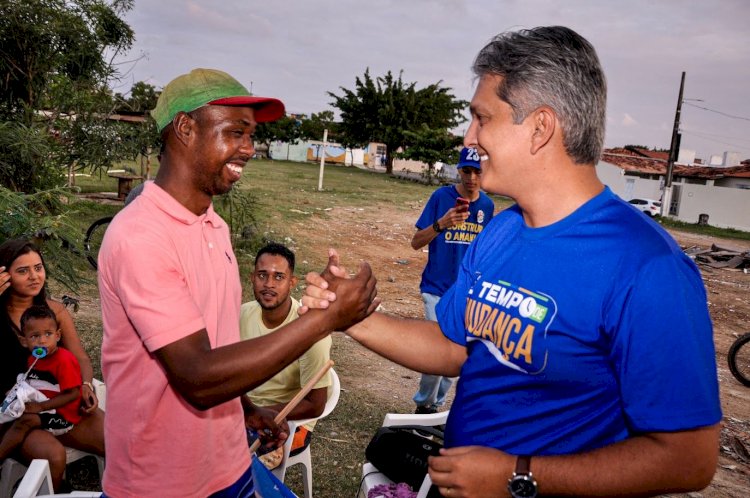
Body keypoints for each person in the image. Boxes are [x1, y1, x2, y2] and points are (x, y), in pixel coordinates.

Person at [302, 26, 721, 498]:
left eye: (482, 118)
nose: (470, 136)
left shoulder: (647, 267)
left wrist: (519, 474)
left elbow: (689, 458)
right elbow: (456, 346)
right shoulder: (501, 229)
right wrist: (351, 316)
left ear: (541, 127)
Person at [97, 68, 377, 498]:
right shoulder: (140, 236)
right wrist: (325, 320)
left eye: (252, 135)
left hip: (228, 464)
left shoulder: (213, 226)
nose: (249, 148)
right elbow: (197, 377)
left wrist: (245, 409)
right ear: (186, 129)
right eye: (236, 132)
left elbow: (214, 342)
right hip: (163, 479)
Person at [0, 239, 105, 490]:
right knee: (52, 457)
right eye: (23, 271)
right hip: (15, 412)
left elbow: (80, 357)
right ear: (4, 275)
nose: (34, 276)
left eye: (38, 267)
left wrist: (86, 384)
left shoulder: (54, 312)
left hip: (59, 403)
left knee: (118, 442)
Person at [410, 146, 494, 414]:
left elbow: (485, 252)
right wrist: (441, 224)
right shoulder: (441, 197)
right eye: (466, 171)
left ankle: (437, 406)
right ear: (458, 171)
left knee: (457, 358)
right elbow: (415, 242)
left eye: (476, 172)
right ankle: (423, 406)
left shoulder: (487, 207)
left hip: (466, 295)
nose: (471, 178)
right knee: (437, 353)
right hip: (436, 289)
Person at [240, 242, 331, 465]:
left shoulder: (310, 332)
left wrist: (260, 413)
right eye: (262, 275)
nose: (269, 284)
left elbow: (316, 404)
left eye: (279, 277)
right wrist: (247, 412)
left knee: (236, 467)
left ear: (292, 283)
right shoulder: (242, 313)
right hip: (248, 412)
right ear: (252, 277)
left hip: (288, 421)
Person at [20, 305, 83, 436]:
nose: (42, 341)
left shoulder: (64, 360)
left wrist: (41, 407)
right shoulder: (32, 359)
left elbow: (74, 394)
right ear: (24, 341)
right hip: (42, 407)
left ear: (58, 335)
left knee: (24, 423)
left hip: (61, 416)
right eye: (34, 336)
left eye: (48, 334)